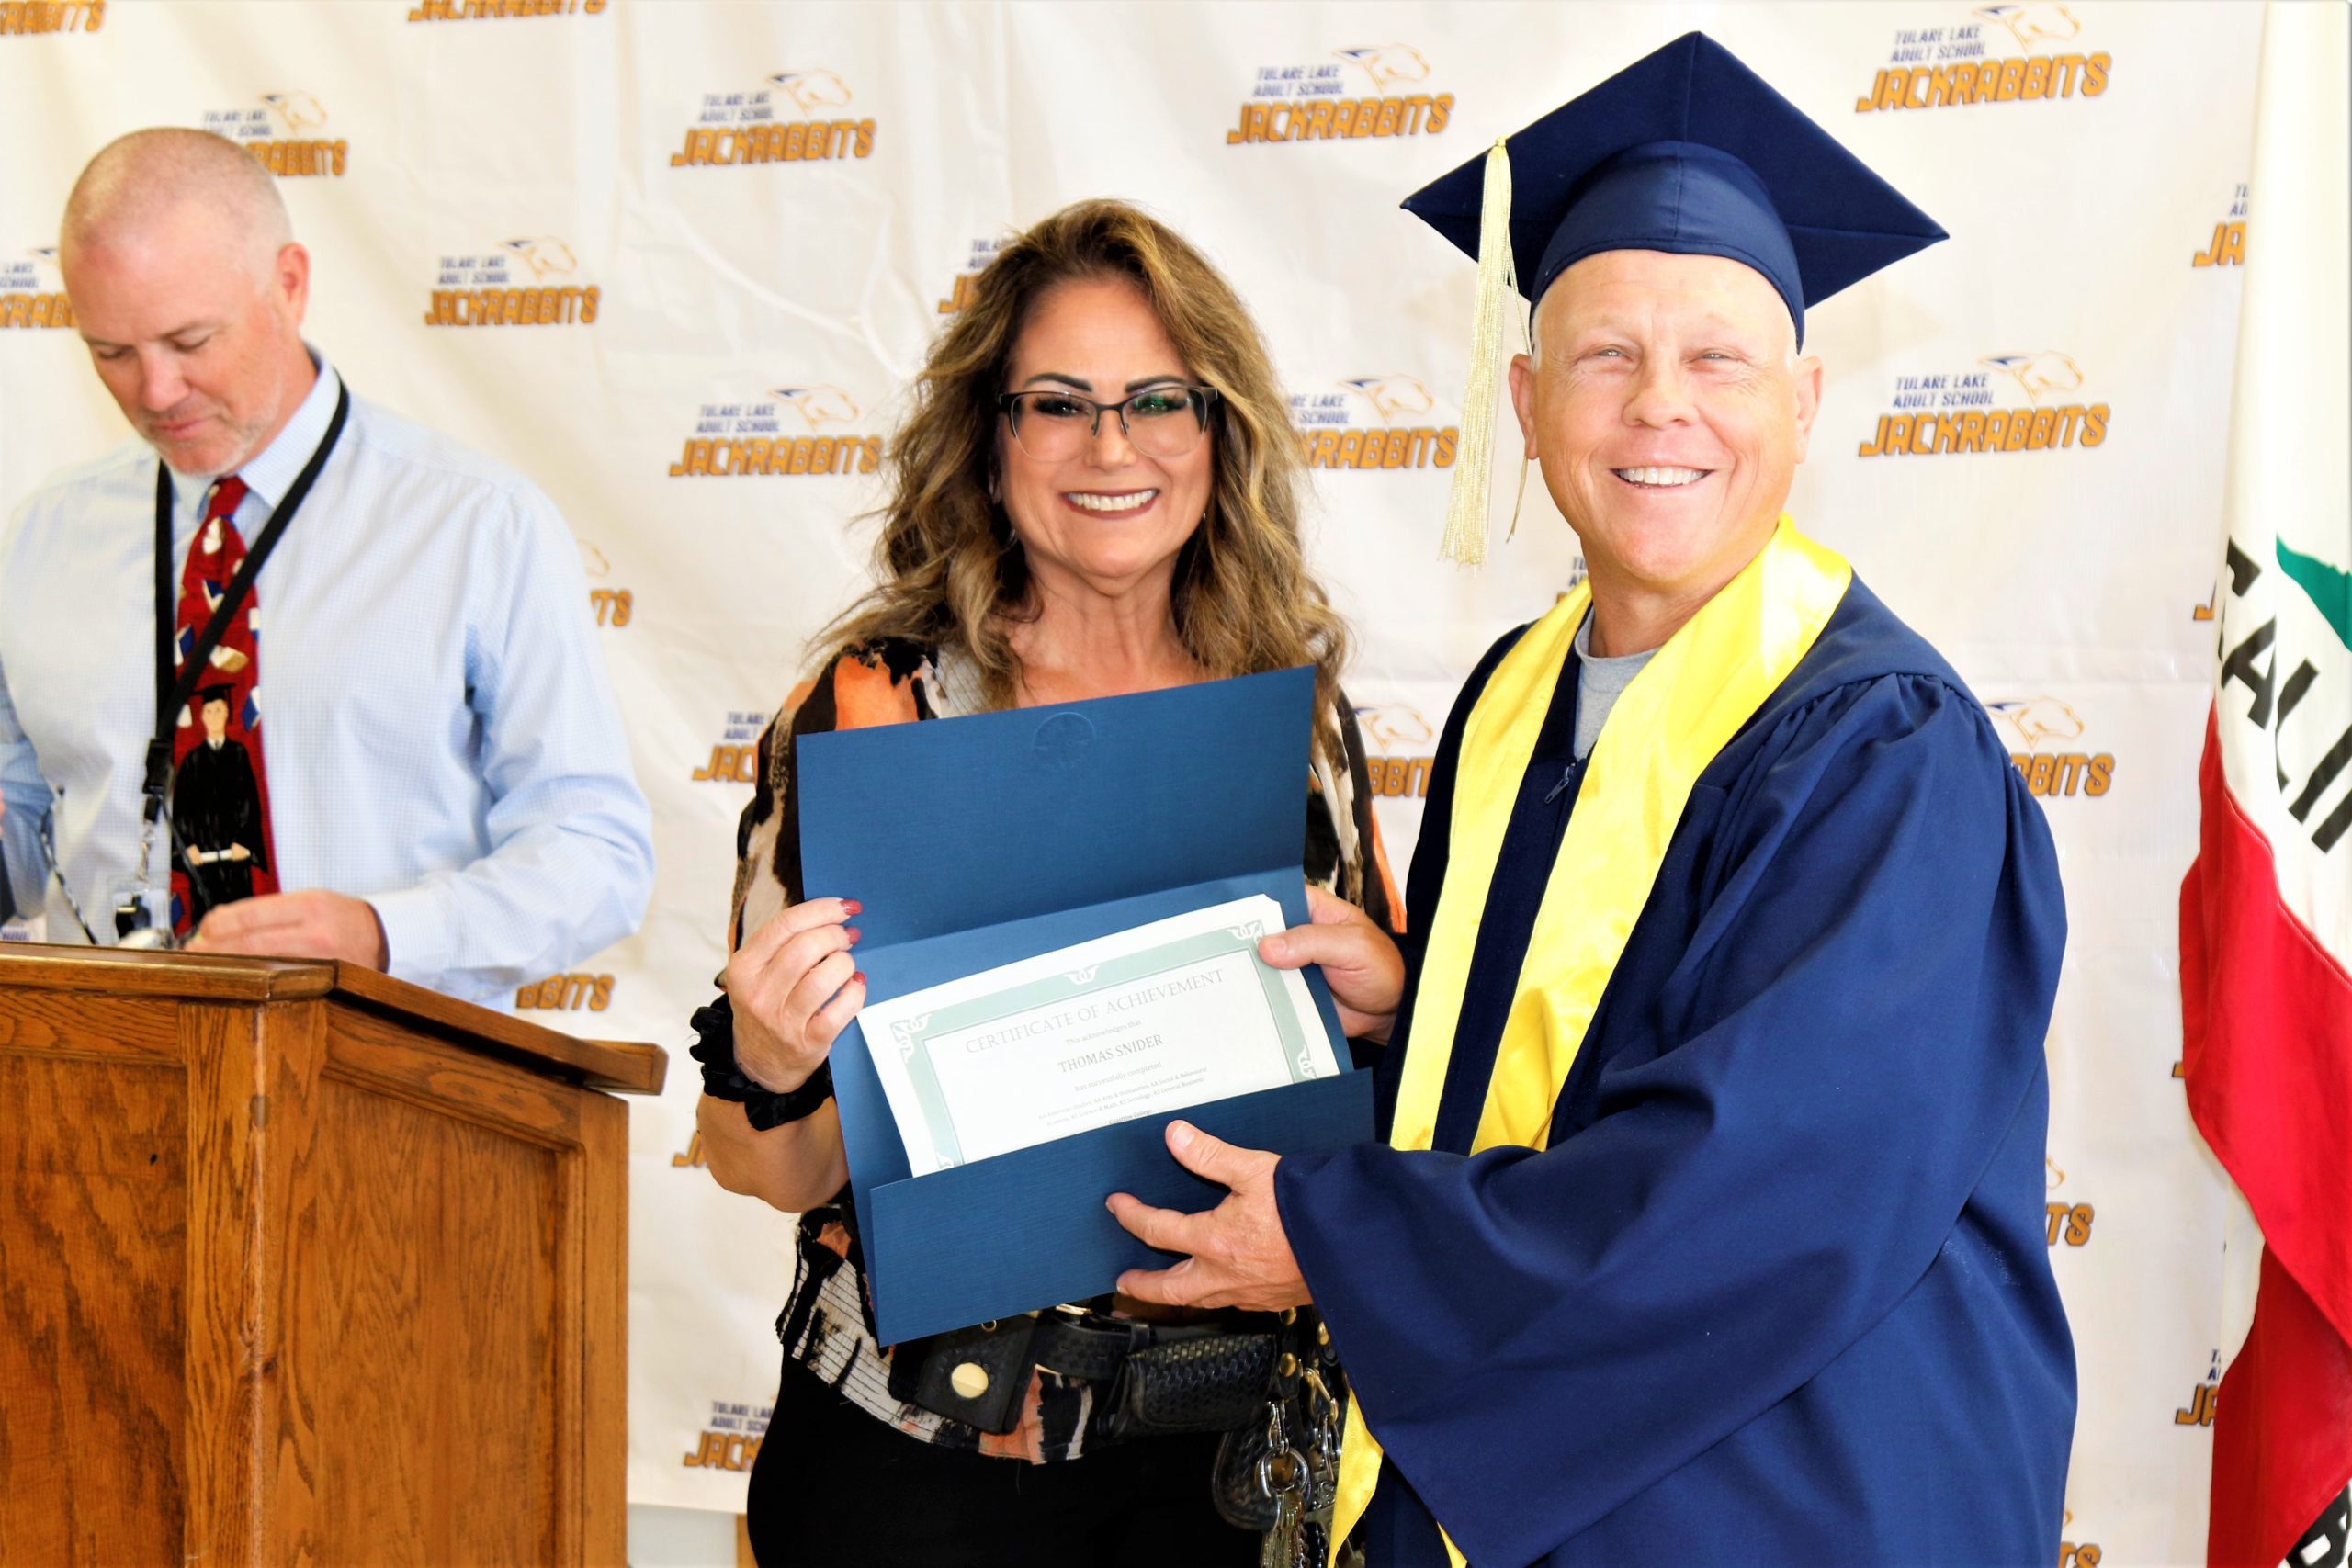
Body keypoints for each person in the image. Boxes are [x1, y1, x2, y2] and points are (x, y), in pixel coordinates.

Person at [1105, 34, 2075, 1567]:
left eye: (1718, 361)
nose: (1658, 408)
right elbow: (1583, 1054)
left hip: (1794, 1506)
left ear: (1805, 400)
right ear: (1527, 396)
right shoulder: (1517, 695)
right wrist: (1420, 1004)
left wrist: (1335, 1244)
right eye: (1606, 355)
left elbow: (1758, 1192)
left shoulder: (1883, 751)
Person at [690, 198, 1401, 1567]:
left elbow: (1361, 1122)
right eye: (1058, 404)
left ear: (1221, 431)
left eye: (1159, 401)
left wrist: (1390, 1006)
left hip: (1223, 1471)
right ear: (990, 436)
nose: (1111, 447)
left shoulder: (1297, 725)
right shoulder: (871, 713)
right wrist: (768, 1062)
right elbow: (771, 1167)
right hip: (916, 1468)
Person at [0, 129, 652, 1005]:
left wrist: (386, 934)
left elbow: (598, 853)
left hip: (389, 1073)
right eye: (111, 353)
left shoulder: (477, 525)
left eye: (191, 341)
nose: (155, 392)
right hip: (106, 1068)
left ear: (290, 283)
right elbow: (24, 827)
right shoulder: (42, 534)